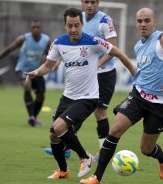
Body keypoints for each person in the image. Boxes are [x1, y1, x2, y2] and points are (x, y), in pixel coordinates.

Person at [80, 7, 163, 184]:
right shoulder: (138, 46)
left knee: (146, 148)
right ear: (136, 23)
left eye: (147, 20)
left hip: (161, 104)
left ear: (154, 22)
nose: (143, 24)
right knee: (115, 130)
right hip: (138, 96)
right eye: (140, 21)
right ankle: (97, 177)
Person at [24, 8, 136, 179]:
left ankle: (86, 157)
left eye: (77, 25)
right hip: (68, 96)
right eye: (70, 25)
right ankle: (63, 170)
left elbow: (118, 52)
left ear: (81, 24)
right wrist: (36, 72)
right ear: (65, 25)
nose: (73, 29)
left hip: (88, 98)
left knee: (59, 127)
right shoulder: (59, 43)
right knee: (53, 135)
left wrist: (134, 72)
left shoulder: (93, 41)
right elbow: (48, 65)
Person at [44, 0, 118, 161]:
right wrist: (58, 60)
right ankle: (67, 146)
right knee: (74, 111)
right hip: (85, 72)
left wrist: (98, 63)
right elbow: (73, 48)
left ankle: (103, 152)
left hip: (104, 73)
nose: (89, 5)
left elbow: (113, 48)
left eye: (92, 2)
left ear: (98, 2)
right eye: (86, 1)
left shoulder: (105, 20)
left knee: (99, 112)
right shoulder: (78, 18)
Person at [0, 20, 51, 127]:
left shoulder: (46, 40)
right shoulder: (23, 39)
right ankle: (31, 117)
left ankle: (33, 118)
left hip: (36, 71)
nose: (36, 29)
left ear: (41, 28)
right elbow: (8, 50)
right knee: (27, 85)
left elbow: (50, 53)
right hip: (22, 70)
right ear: (30, 29)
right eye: (33, 27)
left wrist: (46, 58)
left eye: (38, 27)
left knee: (41, 95)